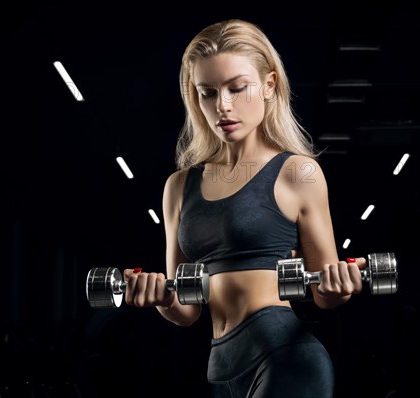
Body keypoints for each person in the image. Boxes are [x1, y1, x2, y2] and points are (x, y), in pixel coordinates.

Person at [122, 19, 367, 398]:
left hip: (287, 358)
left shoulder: (298, 173)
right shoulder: (179, 187)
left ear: (269, 85)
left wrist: (341, 287)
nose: (222, 105)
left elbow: (324, 293)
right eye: (207, 92)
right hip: (220, 370)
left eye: (237, 88)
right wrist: (159, 297)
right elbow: (186, 311)